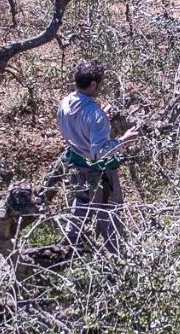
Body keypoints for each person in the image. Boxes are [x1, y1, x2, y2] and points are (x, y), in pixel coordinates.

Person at [56, 60, 134, 250]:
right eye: (100, 83)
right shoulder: (95, 114)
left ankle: (68, 252)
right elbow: (99, 153)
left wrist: (99, 114)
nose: (102, 86)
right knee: (109, 217)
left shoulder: (65, 103)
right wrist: (124, 140)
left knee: (80, 210)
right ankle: (113, 264)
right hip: (100, 174)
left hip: (77, 168)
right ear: (93, 84)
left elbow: (80, 125)